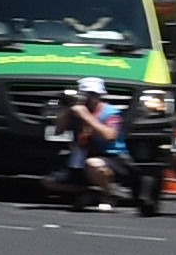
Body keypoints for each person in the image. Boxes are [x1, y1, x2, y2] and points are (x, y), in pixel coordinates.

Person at [42, 76, 120, 212]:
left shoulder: (110, 112)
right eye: (87, 95)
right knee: (48, 181)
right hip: (79, 155)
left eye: (94, 95)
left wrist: (86, 116)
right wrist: (68, 110)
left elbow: (109, 136)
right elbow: (58, 130)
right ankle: (90, 192)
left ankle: (109, 195)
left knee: (94, 164)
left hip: (107, 155)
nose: (90, 98)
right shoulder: (75, 111)